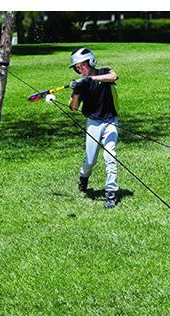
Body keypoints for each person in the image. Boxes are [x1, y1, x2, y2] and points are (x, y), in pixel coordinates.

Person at [68, 48, 120, 209]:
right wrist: (77, 91)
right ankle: (83, 178)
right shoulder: (81, 84)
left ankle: (111, 193)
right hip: (93, 123)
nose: (80, 69)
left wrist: (92, 78)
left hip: (110, 121)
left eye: (82, 65)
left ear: (91, 62)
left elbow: (114, 76)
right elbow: (73, 107)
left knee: (110, 156)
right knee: (90, 160)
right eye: (77, 68)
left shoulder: (104, 72)